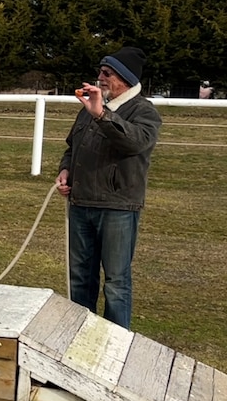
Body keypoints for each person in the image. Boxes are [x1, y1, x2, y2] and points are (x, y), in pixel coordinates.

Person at [55, 47, 162, 329]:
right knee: (79, 277)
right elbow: (72, 146)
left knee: (115, 282)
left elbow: (135, 142)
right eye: (100, 72)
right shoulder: (91, 108)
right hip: (81, 205)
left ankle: (115, 344)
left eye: (107, 73)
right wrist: (65, 170)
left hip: (118, 208)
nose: (99, 78)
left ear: (125, 79)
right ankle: (80, 334)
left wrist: (102, 115)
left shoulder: (144, 111)